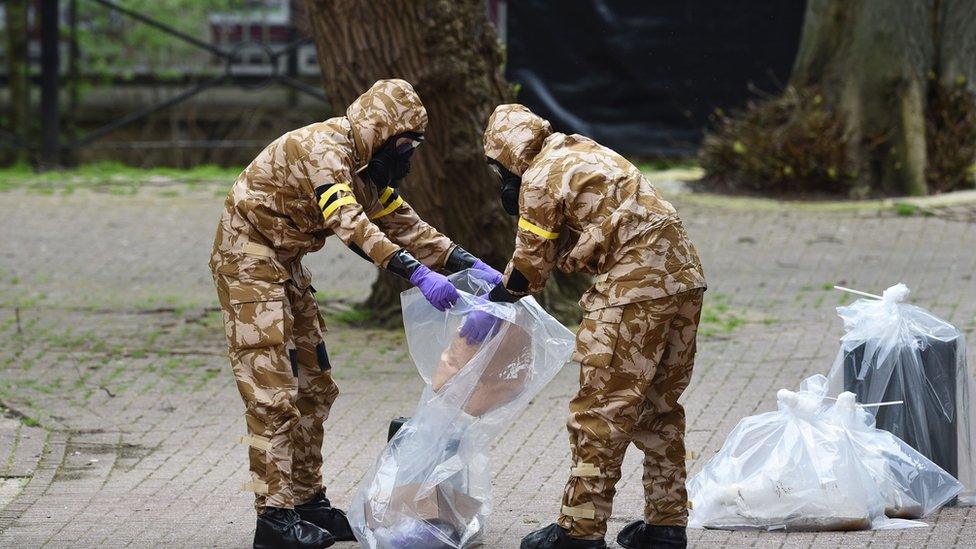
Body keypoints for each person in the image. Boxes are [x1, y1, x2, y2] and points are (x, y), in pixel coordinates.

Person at [209, 79, 502, 549]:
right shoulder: (326, 150)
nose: (406, 158)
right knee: (272, 393)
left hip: (285, 263)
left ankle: (307, 501)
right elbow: (349, 222)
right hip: (248, 258)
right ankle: (273, 517)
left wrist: (469, 265)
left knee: (316, 387)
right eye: (404, 146)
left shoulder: (367, 168)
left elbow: (404, 224)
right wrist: (417, 276)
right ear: (379, 131)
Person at [463, 104, 706, 549]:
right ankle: (666, 524)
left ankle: (579, 529)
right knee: (659, 406)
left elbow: (529, 266)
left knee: (600, 412)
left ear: (506, 156)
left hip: (634, 290)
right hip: (685, 280)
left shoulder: (537, 177)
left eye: (499, 171)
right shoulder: (581, 150)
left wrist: (496, 300)